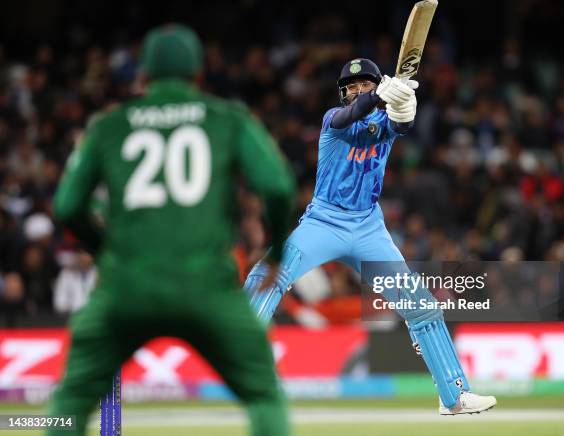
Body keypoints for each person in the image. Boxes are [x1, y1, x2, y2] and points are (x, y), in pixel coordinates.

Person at [46, 24, 294, 436]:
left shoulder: (109, 125)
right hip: (208, 286)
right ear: (199, 75)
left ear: (142, 77)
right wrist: (280, 251)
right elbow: (277, 186)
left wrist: (104, 251)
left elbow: (67, 205)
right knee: (264, 395)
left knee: (69, 403)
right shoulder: (226, 118)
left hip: (123, 289)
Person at [244, 58, 496, 415]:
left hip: (368, 227)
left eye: (366, 84)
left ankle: (454, 396)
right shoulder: (333, 119)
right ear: (345, 93)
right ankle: (239, 357)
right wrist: (377, 95)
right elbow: (349, 117)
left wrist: (405, 106)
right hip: (325, 220)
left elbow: (402, 124)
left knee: (420, 305)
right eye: (354, 86)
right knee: (269, 271)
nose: (359, 90)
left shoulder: (383, 121)